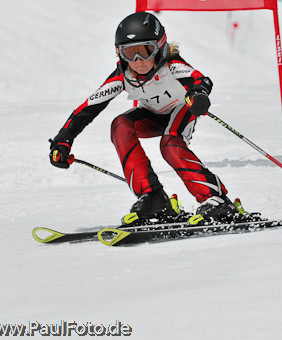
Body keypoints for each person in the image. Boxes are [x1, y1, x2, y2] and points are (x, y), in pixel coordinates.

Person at [49, 12, 241, 226]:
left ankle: (216, 201)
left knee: (169, 143)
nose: (137, 61)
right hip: (152, 116)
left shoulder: (172, 65)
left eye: (145, 51)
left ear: (159, 47)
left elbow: (201, 80)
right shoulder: (123, 75)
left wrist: (199, 94)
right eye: (129, 53)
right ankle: (153, 198)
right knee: (120, 125)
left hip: (181, 110)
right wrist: (63, 139)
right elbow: (88, 108)